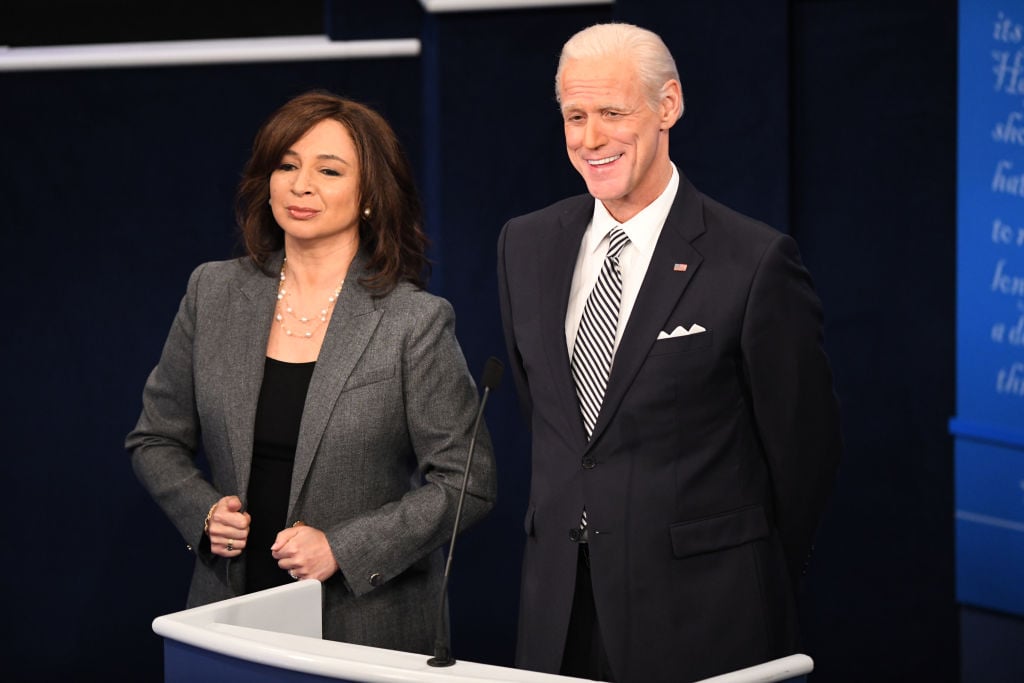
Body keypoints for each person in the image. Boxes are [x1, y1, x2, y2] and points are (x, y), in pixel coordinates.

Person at [497, 23, 842, 683]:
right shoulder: (524, 245)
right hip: (558, 614)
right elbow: (555, 425)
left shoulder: (754, 259)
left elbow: (806, 453)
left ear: (668, 106)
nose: (590, 138)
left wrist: (747, 571)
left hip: (705, 616)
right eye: (575, 116)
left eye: (612, 113)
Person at [126, 90, 496, 654]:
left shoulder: (412, 320)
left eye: (329, 170)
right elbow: (154, 438)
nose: (301, 185)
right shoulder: (214, 292)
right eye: (287, 165)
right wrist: (202, 511)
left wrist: (344, 549)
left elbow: (467, 481)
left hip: (364, 623)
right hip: (230, 613)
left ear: (369, 196)